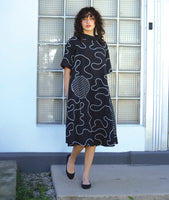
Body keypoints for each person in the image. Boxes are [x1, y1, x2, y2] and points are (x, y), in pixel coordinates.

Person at [61, 7, 118, 189]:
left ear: (96, 22)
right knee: (81, 137)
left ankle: (85, 176)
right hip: (78, 94)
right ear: (80, 22)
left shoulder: (102, 44)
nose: (88, 21)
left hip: (99, 94)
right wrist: (70, 96)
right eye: (84, 18)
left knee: (93, 138)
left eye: (91, 18)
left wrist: (103, 94)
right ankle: (72, 158)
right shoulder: (73, 43)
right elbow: (67, 71)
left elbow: (103, 72)